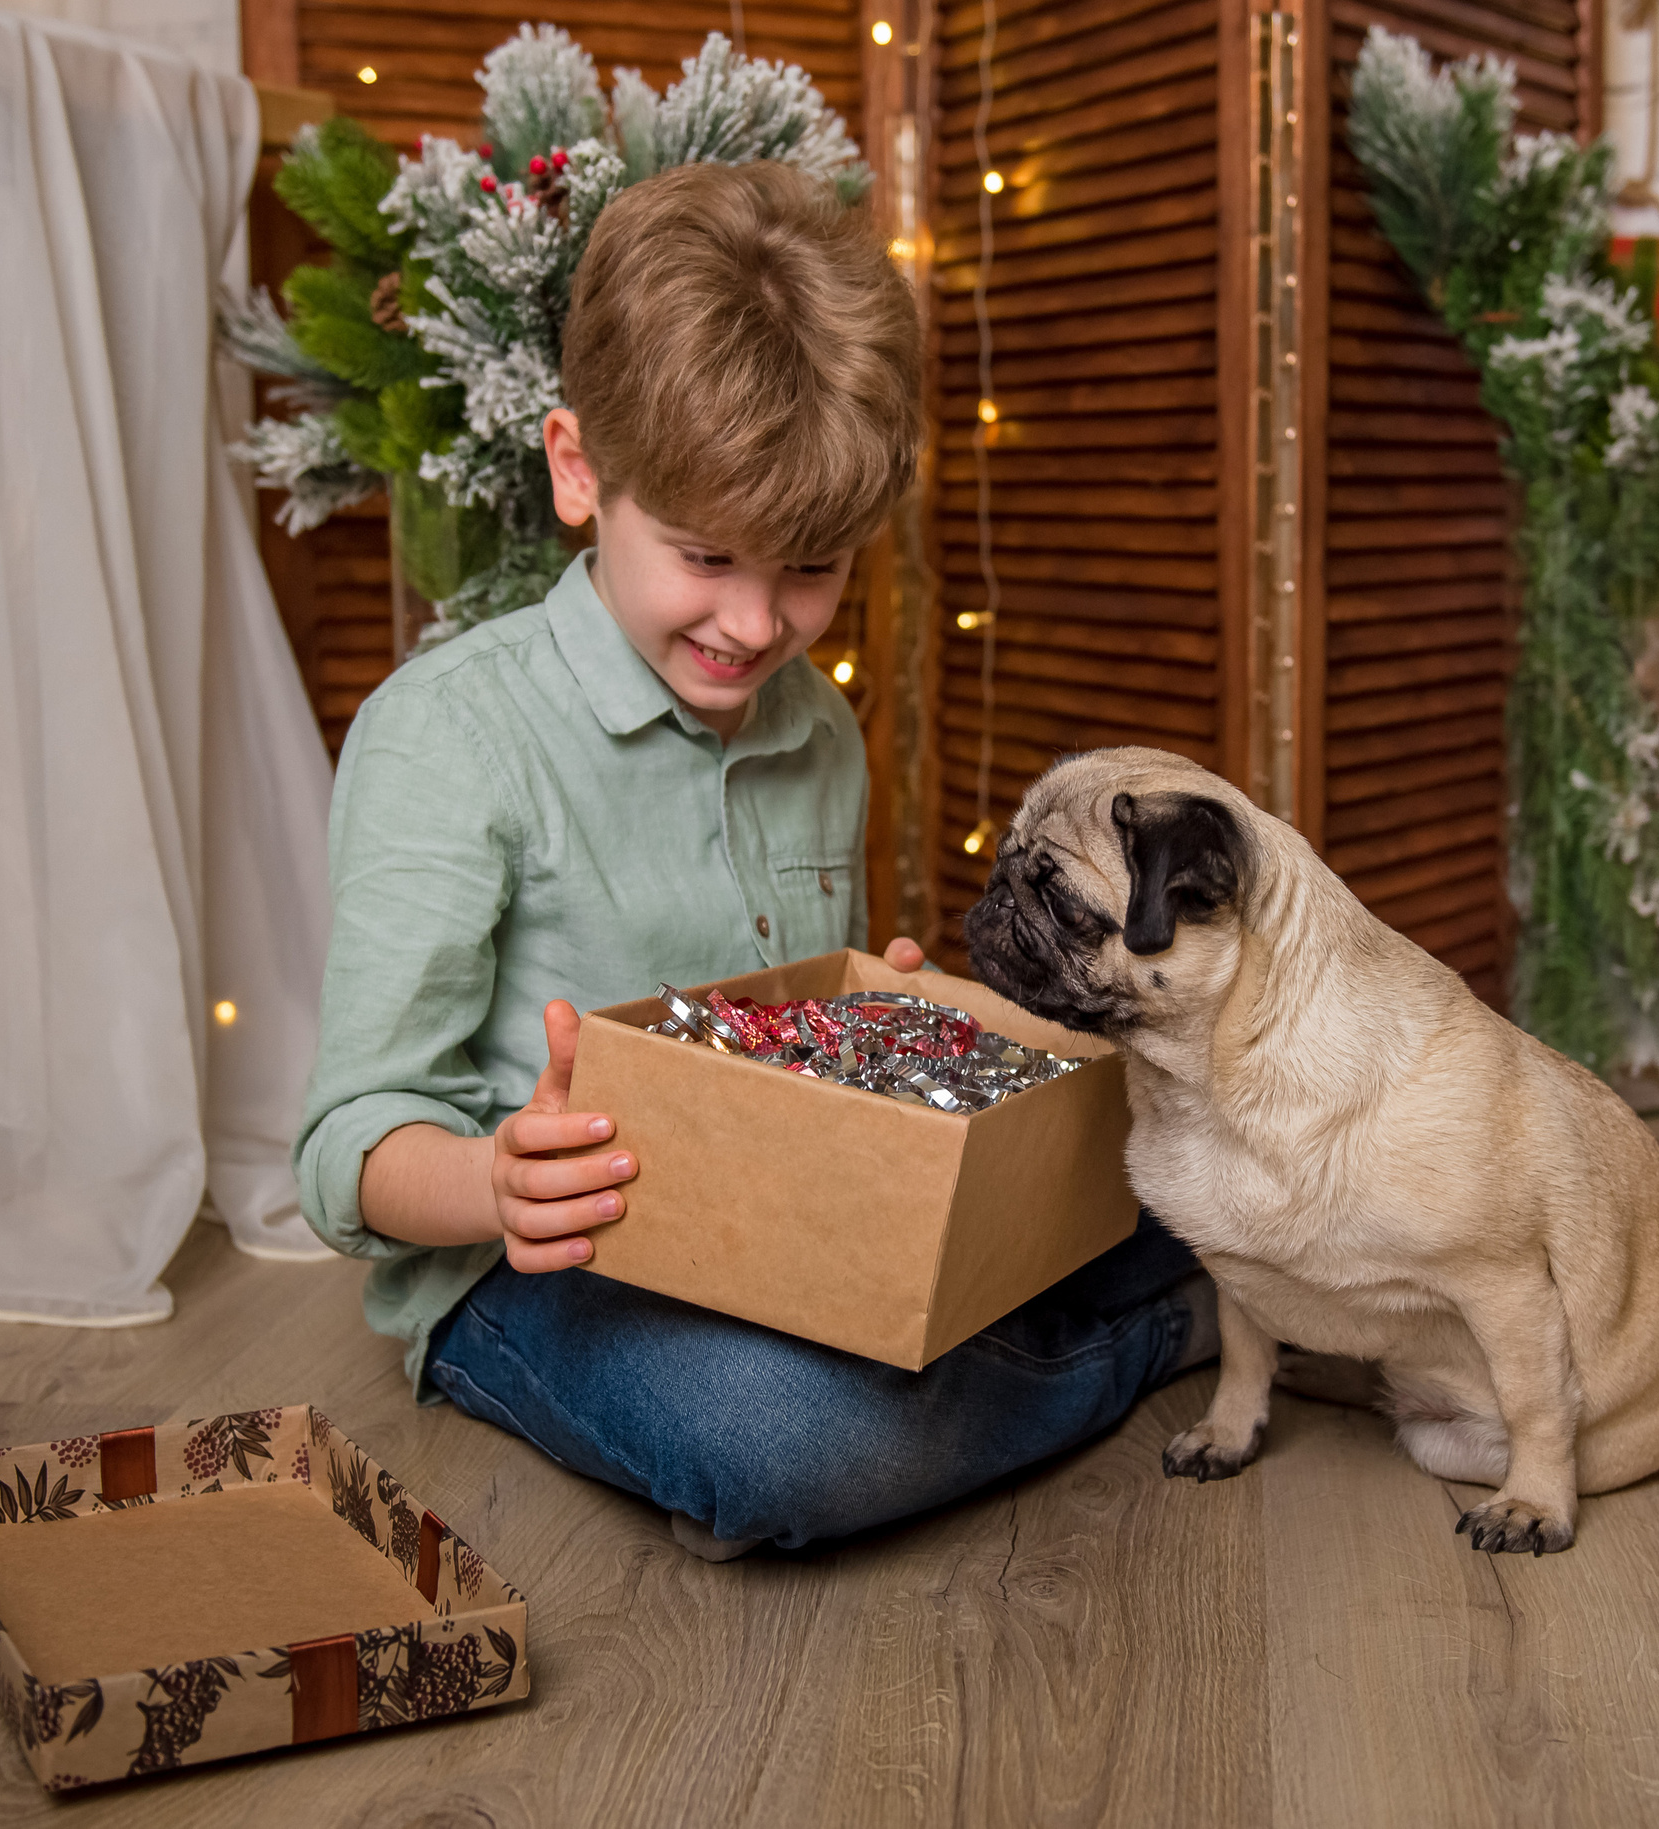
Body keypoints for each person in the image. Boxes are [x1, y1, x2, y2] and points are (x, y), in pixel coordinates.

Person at [293, 162, 1214, 1560]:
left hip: (791, 1219)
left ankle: (1082, 1327)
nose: (756, 620)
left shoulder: (817, 725)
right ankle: (1164, 1333)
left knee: (1172, 1160)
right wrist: (496, 1182)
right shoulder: (446, 738)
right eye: (707, 555)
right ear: (577, 467)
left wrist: (878, 1024)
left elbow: (790, 1043)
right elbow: (345, 1145)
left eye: (812, 568)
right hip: (537, 1271)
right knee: (795, 1442)